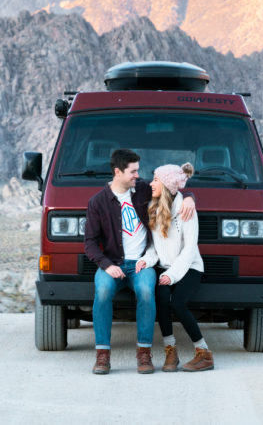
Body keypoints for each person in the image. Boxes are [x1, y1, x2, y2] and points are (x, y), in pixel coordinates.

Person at [83, 148, 196, 375]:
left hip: (142, 263)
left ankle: (144, 352)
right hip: (112, 263)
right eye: (133, 171)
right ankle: (102, 355)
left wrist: (191, 198)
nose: (138, 175)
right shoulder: (98, 202)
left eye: (138, 171)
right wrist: (107, 265)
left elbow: (173, 187)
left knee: (146, 290)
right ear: (118, 172)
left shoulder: (142, 190)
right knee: (103, 291)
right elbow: (90, 243)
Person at [136, 162, 213, 372]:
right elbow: (155, 247)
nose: (151, 183)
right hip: (167, 268)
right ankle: (171, 351)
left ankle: (204, 353)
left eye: (155, 180)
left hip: (189, 268)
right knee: (161, 298)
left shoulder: (185, 209)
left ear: (166, 184)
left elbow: (189, 249)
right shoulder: (155, 208)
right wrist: (146, 260)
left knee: (178, 303)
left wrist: (172, 274)